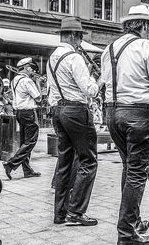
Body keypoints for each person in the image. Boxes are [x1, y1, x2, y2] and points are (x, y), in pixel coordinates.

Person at [101, 5, 149, 245]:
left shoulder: (108, 49)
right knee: (137, 173)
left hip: (113, 113)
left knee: (129, 169)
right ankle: (127, 234)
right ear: (144, 25)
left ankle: (134, 222)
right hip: (139, 114)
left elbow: (104, 85)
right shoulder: (148, 46)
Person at [47, 17, 100, 226]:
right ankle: (76, 211)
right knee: (88, 160)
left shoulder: (53, 57)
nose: (80, 42)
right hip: (76, 110)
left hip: (58, 109)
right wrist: (98, 80)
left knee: (64, 161)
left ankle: (59, 213)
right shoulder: (74, 58)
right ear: (73, 36)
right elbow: (90, 90)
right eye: (79, 37)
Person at [2, 57, 42, 179]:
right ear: (27, 68)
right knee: (31, 141)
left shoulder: (15, 80)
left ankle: (27, 170)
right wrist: (38, 82)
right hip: (29, 113)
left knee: (25, 142)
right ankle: (10, 164)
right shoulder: (27, 81)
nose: (32, 71)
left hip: (20, 113)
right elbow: (39, 98)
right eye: (32, 68)